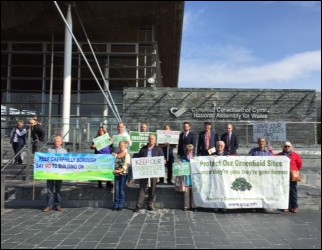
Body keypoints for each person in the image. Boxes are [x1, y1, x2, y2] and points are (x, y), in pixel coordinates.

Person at [134, 134, 164, 212]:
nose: (151, 140)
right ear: (148, 139)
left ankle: (150, 204)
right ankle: (138, 205)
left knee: (153, 187)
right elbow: (138, 158)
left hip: (154, 171)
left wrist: (163, 161)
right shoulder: (143, 149)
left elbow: (162, 159)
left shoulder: (159, 149)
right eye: (150, 139)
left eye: (153, 139)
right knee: (142, 187)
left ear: (155, 140)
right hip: (144, 171)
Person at [277, 141, 303, 213]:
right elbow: (273, 159)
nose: (287, 148)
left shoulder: (295, 155)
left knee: (293, 191)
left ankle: (294, 206)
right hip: (283, 175)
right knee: (284, 191)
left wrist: (295, 170)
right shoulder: (280, 155)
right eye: (285, 146)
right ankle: (286, 206)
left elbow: (300, 164)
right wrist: (270, 150)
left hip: (292, 175)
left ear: (291, 147)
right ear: (283, 147)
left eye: (288, 146)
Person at [43, 136, 67, 212]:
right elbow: (45, 160)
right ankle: (49, 205)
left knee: (58, 190)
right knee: (49, 190)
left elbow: (67, 162)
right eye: (56, 141)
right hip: (50, 173)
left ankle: (58, 205)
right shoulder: (49, 150)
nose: (57, 143)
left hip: (59, 173)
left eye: (58, 141)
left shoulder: (64, 151)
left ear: (61, 142)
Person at [112, 141, 131, 211]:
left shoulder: (127, 155)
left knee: (121, 190)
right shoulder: (116, 154)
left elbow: (126, 166)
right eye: (120, 145)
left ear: (125, 146)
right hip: (116, 174)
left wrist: (119, 171)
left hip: (123, 174)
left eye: (123, 145)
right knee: (116, 189)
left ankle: (121, 205)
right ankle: (116, 205)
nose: (121, 146)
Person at [213, 141, 228, 213]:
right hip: (215, 176)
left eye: (221, 146)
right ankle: (216, 205)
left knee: (224, 191)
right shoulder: (212, 155)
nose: (220, 147)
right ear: (216, 147)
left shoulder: (227, 155)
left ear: (224, 147)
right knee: (216, 191)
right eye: (218, 145)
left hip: (225, 176)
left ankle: (223, 206)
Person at [181, 144, 197, 212]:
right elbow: (181, 166)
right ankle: (186, 206)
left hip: (194, 177)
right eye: (188, 150)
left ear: (193, 151)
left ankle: (194, 206)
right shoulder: (184, 158)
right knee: (186, 192)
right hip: (187, 177)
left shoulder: (195, 158)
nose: (189, 151)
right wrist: (179, 163)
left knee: (194, 192)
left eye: (191, 150)